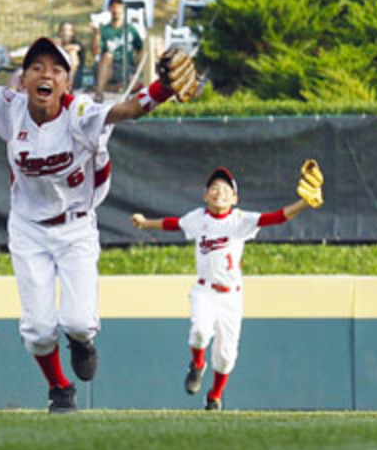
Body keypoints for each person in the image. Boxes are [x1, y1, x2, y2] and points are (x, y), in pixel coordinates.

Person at [0, 6, 198, 413]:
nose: (45, 75)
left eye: (56, 69)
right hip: (28, 227)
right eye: (36, 67)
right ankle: (59, 388)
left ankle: (82, 342)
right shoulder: (11, 107)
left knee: (78, 323)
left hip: (75, 228)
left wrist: (159, 91)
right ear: (23, 78)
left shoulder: (80, 113)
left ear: (67, 81)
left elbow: (126, 111)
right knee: (36, 330)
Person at [131, 164, 322, 410]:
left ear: (234, 198)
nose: (218, 191)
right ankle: (197, 365)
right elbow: (173, 224)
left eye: (225, 188)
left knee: (226, 357)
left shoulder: (240, 220)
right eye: (213, 187)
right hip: (204, 290)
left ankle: (214, 396)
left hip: (231, 297)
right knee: (200, 331)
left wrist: (304, 203)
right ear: (205, 195)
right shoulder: (198, 218)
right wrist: (146, 223)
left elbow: (275, 217)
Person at [94, 0, 143, 99]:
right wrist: (96, 35)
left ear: (123, 8)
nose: (116, 9)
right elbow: (97, 52)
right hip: (109, 67)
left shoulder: (131, 29)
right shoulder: (104, 30)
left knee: (135, 84)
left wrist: (138, 68)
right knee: (108, 55)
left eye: (118, 6)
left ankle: (109, 88)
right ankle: (99, 92)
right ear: (109, 9)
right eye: (113, 6)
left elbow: (141, 48)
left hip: (127, 67)